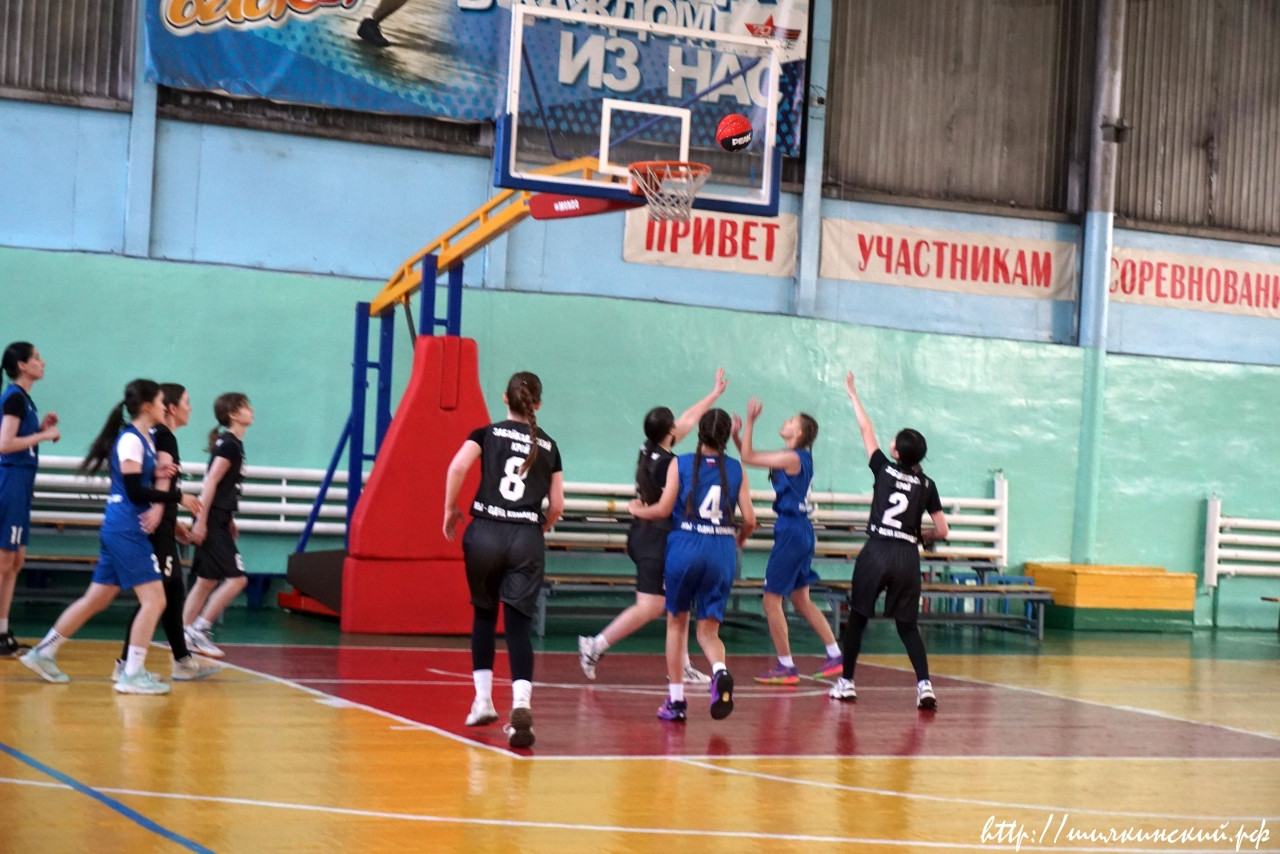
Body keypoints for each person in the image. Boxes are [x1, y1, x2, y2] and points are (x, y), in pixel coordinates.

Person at [20, 379, 193, 694]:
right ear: (147, 407)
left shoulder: (144, 440)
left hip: (120, 527)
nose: (164, 406)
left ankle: (43, 652)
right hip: (127, 528)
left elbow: (137, 479)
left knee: (96, 598)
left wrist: (158, 474)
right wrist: (176, 497)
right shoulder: (131, 440)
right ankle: (131, 674)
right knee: (155, 600)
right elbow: (133, 490)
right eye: (159, 401)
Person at [578, 369, 728, 685]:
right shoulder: (669, 464)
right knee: (652, 606)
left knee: (678, 604)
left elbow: (688, 419)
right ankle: (595, 645)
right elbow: (667, 505)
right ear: (669, 431)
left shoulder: (649, 447)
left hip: (645, 534)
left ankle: (683, 665)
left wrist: (713, 394)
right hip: (655, 538)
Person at [444, 372, 564, 749]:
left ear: (504, 399)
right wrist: (538, 527)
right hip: (525, 535)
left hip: (485, 531)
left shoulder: (486, 433)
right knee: (518, 626)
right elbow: (557, 504)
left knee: (484, 614)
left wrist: (450, 509)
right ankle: (521, 705)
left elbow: (457, 467)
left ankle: (482, 701)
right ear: (538, 404)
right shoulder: (550, 446)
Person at [831, 371, 949, 710]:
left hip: (878, 550)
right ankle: (925, 686)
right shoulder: (927, 485)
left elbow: (866, 430)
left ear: (895, 450)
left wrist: (854, 395)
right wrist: (920, 536)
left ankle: (846, 683)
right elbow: (942, 530)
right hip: (907, 556)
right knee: (908, 626)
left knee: (858, 618)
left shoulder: (883, 468)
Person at [629, 409, 756, 723]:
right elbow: (751, 520)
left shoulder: (681, 463)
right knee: (709, 631)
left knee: (676, 623)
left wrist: (637, 510)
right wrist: (738, 540)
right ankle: (720, 671)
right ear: (725, 438)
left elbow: (662, 509)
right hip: (722, 550)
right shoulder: (737, 469)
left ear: (700, 433)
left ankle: (676, 701)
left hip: (686, 546)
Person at [113, 384, 220, 683]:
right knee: (155, 596)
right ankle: (127, 664)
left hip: (161, 526)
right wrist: (163, 514)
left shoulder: (159, 436)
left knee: (171, 593)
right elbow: (160, 485)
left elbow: (160, 482)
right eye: (187, 402)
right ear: (171, 408)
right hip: (151, 527)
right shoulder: (164, 436)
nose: (190, 407)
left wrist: (173, 524)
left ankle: (181, 660)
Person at [731, 397, 842, 685]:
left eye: (791, 421)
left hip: (792, 530)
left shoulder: (794, 458)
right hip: (800, 529)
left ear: (800, 432)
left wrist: (751, 422)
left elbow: (748, 458)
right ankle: (835, 654)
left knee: (771, 600)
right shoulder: (794, 457)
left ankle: (785, 665)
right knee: (801, 599)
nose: (785, 422)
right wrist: (736, 436)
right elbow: (749, 454)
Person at [183, 393, 254, 658]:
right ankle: (200, 629)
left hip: (218, 517)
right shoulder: (230, 445)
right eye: (246, 407)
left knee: (206, 580)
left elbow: (224, 487)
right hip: (211, 519)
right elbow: (211, 481)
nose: (251, 410)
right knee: (238, 579)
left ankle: (182, 635)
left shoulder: (231, 443)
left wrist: (229, 517)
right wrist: (202, 521)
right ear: (233, 414)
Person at [0, 342, 60, 656]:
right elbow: (5, 444)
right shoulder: (13, 397)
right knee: (3, 561)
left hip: (22, 484)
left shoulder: (24, 400)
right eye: (37, 358)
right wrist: (43, 435)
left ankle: (3, 631)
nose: (43, 362)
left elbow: (20, 439)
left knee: (16, 561)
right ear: (22, 365)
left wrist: (40, 429)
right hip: (10, 481)